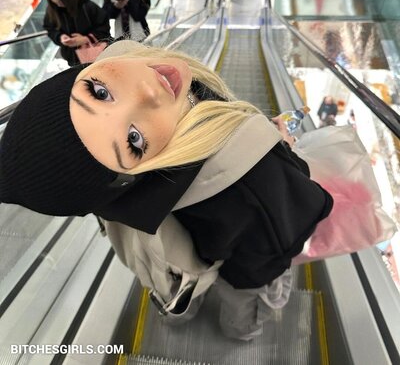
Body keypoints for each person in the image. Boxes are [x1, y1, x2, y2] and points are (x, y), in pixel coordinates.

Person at [0, 40, 333, 341]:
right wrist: (283, 153)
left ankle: (179, 313)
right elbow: (293, 223)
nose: (149, 90)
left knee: (179, 286)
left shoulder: (108, 185)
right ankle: (240, 332)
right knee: (244, 301)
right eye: (134, 139)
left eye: (99, 92)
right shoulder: (255, 175)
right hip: (244, 258)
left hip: (176, 261)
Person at [43, 0, 111, 67]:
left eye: (60, 1)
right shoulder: (53, 10)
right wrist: (60, 37)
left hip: (96, 56)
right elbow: (50, 29)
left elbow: (104, 27)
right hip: (73, 59)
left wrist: (86, 39)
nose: (59, 5)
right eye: (55, 3)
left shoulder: (86, 6)